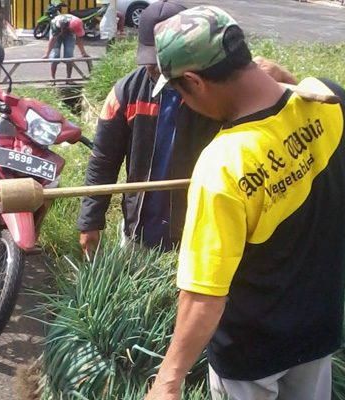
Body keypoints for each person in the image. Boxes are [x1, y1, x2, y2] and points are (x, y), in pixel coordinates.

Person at [146, 6, 345, 400]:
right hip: (317, 336)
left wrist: (168, 380)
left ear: (193, 81)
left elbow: (204, 296)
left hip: (250, 356)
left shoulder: (223, 167)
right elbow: (299, 115)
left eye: (178, 91)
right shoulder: (333, 102)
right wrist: (289, 79)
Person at [76, 0, 297, 259]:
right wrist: (90, 220)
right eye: (152, 65)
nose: (160, 73)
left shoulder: (215, 92)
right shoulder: (126, 94)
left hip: (202, 234)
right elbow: (103, 159)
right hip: (139, 233)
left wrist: (283, 76)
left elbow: (281, 123)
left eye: (166, 64)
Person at [43, 13, 89, 80]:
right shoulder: (57, 24)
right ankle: (52, 78)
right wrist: (47, 54)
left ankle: (69, 78)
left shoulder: (79, 23)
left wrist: (83, 52)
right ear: (69, 27)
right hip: (58, 31)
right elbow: (53, 40)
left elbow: (79, 39)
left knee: (69, 55)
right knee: (55, 55)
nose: (74, 33)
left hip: (69, 32)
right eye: (73, 31)